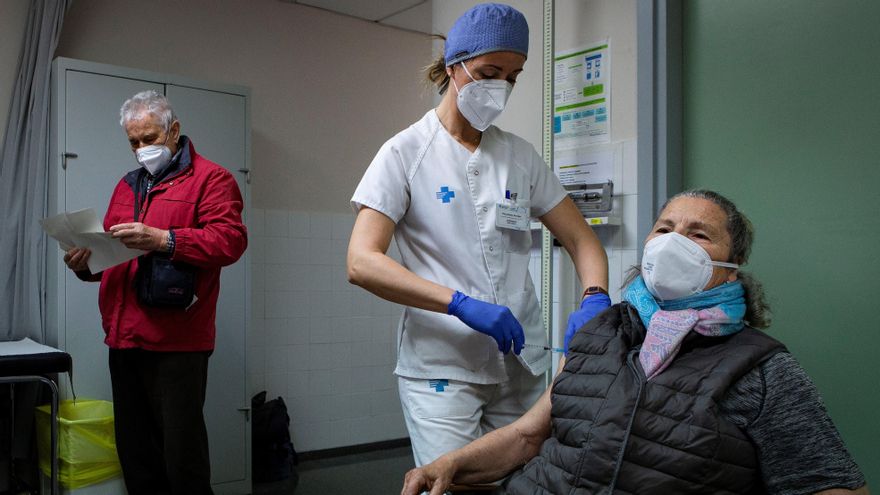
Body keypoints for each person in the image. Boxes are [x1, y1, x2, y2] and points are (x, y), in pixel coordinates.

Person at [401, 189, 869, 495]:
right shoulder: (598, 332)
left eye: (698, 234)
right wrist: (451, 465)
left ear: (734, 263)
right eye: (664, 229)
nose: (672, 243)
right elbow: (527, 436)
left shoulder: (761, 369)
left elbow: (830, 484)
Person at [348, 2, 610, 468]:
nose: (501, 87)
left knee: (529, 479)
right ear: (454, 66)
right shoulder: (405, 152)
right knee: (454, 479)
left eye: (513, 76)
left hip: (521, 361)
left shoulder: (520, 156)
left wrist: (594, 297)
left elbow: (581, 239)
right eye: (490, 71)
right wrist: (460, 304)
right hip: (441, 368)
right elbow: (362, 262)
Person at [63, 90, 247, 495]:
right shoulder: (127, 185)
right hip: (124, 339)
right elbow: (116, 259)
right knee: (137, 455)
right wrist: (85, 264)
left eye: (149, 138)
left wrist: (163, 239)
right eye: (134, 142)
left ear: (174, 130)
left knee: (182, 459)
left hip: (178, 343)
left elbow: (230, 241)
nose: (142, 149)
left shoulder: (212, 179)